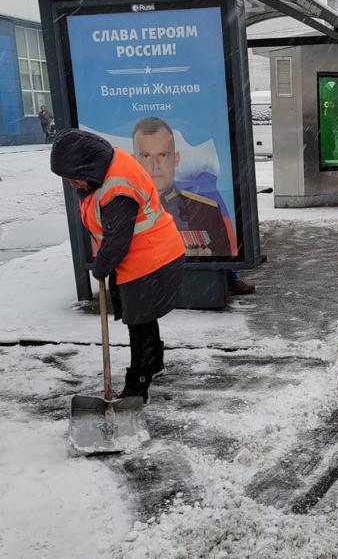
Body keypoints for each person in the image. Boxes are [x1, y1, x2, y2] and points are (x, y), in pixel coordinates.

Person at [50, 129, 186, 403]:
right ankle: (154, 363)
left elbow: (117, 241)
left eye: (71, 176)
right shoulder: (103, 170)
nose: (70, 183)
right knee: (142, 317)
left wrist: (101, 267)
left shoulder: (117, 188)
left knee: (139, 322)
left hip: (150, 259)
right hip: (147, 255)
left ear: (85, 166)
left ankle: (138, 386)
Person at [131, 116, 254, 295]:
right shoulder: (126, 209)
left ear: (176, 158)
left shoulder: (206, 209)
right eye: (146, 156)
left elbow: (224, 253)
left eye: (163, 155)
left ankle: (229, 279)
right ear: (135, 160)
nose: (154, 166)